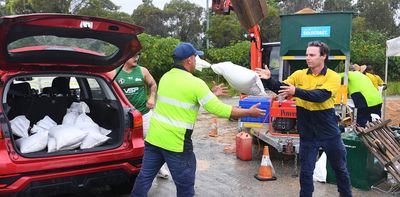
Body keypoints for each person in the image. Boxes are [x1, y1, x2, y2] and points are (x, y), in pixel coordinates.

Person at [131, 43, 266, 197]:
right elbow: (219, 109)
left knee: (144, 178)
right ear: (189, 60)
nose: (196, 60)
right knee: (185, 185)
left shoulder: (166, 77)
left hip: (154, 139)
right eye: (195, 57)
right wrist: (249, 112)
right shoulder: (196, 83)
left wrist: (210, 94)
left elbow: (185, 98)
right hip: (177, 143)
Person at [255, 40, 352, 197]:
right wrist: (268, 80)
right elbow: (282, 88)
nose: (308, 58)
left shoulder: (332, 76)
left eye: (312, 55)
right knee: (306, 172)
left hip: (329, 131)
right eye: (307, 54)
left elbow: (321, 96)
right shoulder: (299, 74)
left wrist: (296, 91)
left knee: (340, 169)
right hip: (307, 132)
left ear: (323, 56)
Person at [109, 53, 170, 178]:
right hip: (124, 117)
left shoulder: (142, 71)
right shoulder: (114, 72)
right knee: (127, 144)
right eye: (133, 56)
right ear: (124, 57)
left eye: (138, 55)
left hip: (144, 113)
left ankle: (160, 168)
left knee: (155, 141)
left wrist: (152, 98)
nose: (136, 58)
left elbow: (153, 84)